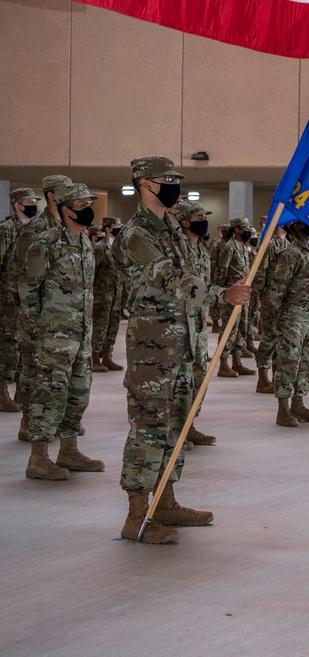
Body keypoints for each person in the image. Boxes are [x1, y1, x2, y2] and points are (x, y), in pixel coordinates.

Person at [111, 155, 252, 544]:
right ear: (145, 184)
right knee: (149, 427)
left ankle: (166, 502)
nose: (174, 184)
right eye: (167, 178)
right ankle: (136, 515)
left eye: (176, 178)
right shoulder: (136, 233)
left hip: (184, 345)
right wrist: (223, 294)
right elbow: (170, 277)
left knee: (176, 425)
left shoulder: (173, 228)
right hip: (153, 349)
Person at [20, 183, 104, 480]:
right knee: (50, 393)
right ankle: (38, 457)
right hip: (54, 335)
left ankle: (69, 449)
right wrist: (37, 331)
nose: (88, 210)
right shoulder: (46, 242)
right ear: (66, 209)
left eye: (88, 204)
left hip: (81, 333)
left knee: (79, 392)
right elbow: (29, 289)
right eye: (82, 205)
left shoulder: (84, 242)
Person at [12, 175, 73, 441]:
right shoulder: (33, 230)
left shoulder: (70, 228)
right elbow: (19, 274)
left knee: (59, 374)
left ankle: (56, 421)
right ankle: (28, 420)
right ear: (51, 196)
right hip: (37, 316)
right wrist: (33, 316)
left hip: (64, 318)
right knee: (33, 369)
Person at [265, 221, 309, 426]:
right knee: (287, 361)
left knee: (306, 361)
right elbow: (277, 288)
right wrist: (273, 318)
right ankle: (283, 409)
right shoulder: (291, 254)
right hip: (291, 317)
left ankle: (298, 403)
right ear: (297, 226)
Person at [172, 200, 219, 448]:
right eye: (198, 217)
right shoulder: (176, 251)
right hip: (180, 323)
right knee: (180, 378)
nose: (203, 220)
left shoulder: (201, 249)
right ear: (184, 221)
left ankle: (190, 424)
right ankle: (176, 429)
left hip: (199, 323)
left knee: (200, 375)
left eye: (204, 216)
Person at [0, 187, 42, 412]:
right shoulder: (6, 230)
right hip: (7, 298)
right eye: (30, 201)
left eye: (35, 201)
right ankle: (1, 391)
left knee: (23, 344)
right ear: (18, 204)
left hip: (28, 297)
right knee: (7, 344)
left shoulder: (37, 230)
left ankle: (20, 390)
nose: (34, 204)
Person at [215, 218, 255, 377]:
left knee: (240, 328)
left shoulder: (243, 247)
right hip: (232, 295)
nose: (248, 231)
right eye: (245, 228)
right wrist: (220, 294)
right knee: (228, 330)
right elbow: (221, 271)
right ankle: (223, 364)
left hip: (243, 294)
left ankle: (237, 362)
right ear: (237, 230)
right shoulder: (229, 247)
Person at [252, 223, 289, 392]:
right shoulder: (269, 243)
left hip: (284, 298)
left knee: (280, 338)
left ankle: (275, 375)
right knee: (269, 337)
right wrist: (261, 297)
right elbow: (261, 271)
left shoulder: (287, 243)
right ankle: (262, 378)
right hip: (270, 297)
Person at [91, 217, 125, 373]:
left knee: (113, 327)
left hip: (115, 296)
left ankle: (107, 356)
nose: (119, 229)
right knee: (99, 327)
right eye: (115, 227)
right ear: (107, 229)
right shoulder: (99, 249)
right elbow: (92, 273)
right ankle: (94, 358)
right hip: (101, 297)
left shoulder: (118, 249)